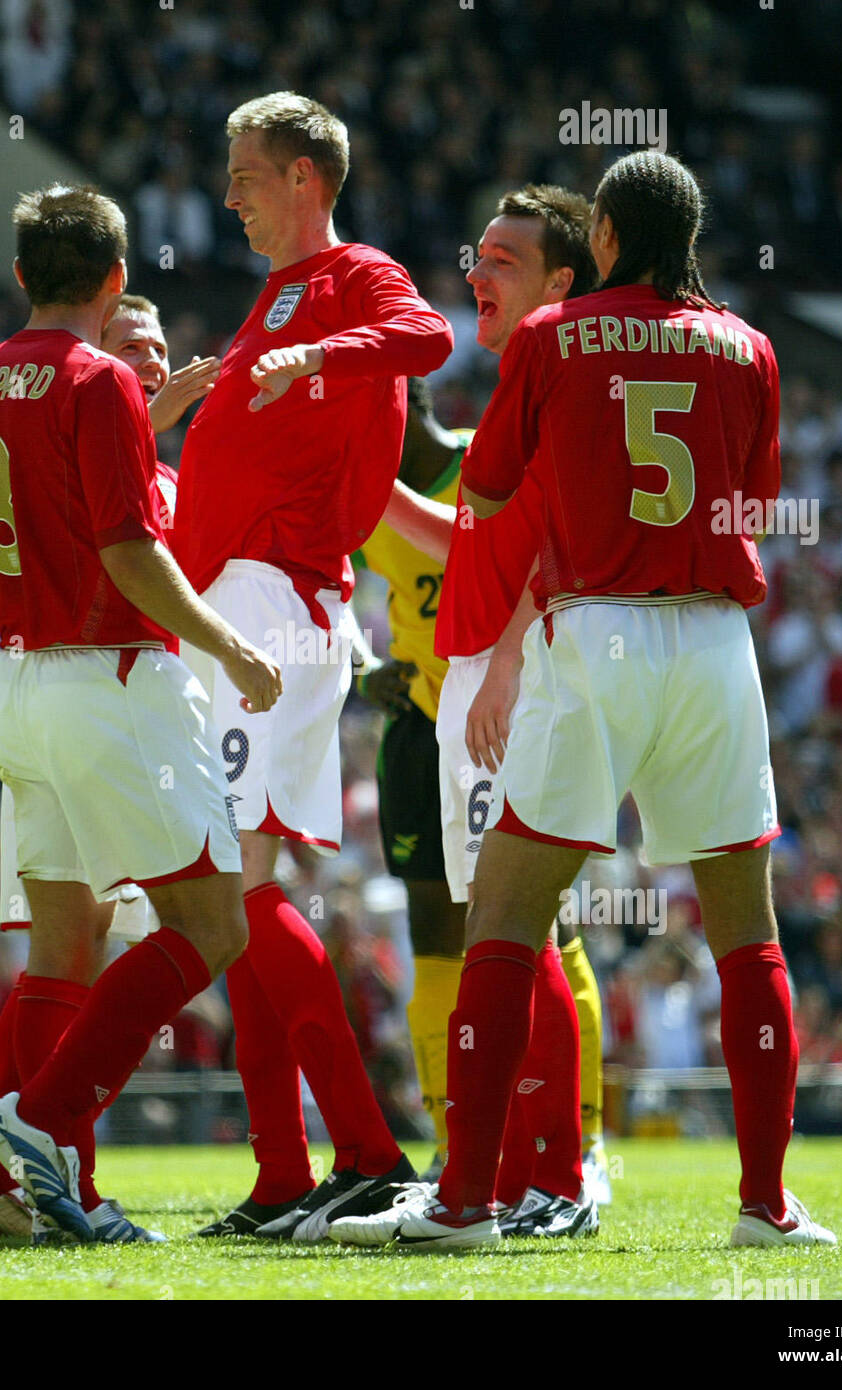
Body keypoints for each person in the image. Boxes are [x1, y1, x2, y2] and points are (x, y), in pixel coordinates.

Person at [331, 150, 836, 1250]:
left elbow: (497, 487)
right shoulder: (748, 345)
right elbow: (749, 493)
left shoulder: (556, 338)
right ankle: (766, 1202)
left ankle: (466, 1198)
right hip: (712, 640)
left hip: (589, 628)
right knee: (745, 938)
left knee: (505, 918)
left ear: (600, 237)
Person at [0, 183, 282, 1244]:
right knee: (212, 927)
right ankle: (41, 1125)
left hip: (27, 683)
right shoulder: (99, 382)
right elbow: (131, 555)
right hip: (116, 677)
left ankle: (0, 1179)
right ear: (116, 278)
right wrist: (230, 644)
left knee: (60, 951)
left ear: (24, 275)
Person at [171, 92, 452, 1241]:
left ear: (304, 177)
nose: (227, 192)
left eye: (245, 172)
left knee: (234, 889)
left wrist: (316, 353)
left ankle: (371, 1152)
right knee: (219, 896)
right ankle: (283, 1170)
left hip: (274, 607)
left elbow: (430, 337)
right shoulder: (272, 297)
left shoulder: (353, 274)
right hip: (236, 600)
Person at [375, 188, 610, 1235]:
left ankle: (556, 1174)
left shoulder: (555, 372)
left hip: (520, 674)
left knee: (521, 924)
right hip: (480, 678)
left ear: (560, 282)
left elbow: (561, 541)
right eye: (479, 253)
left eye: (504, 259)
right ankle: (517, 1171)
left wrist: (509, 658)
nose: (480, 270)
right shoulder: (523, 373)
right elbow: (474, 543)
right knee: (498, 932)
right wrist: (369, 493)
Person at [0, 291, 207, 1239]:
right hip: (105, 697)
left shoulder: (153, 461)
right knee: (180, 932)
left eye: (159, 348)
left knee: (64, 952)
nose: (148, 363)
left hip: (48, 695)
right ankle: (57, 1162)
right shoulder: (94, 437)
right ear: (87, 356)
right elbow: (124, 561)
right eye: (127, 345)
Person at [353, 377, 469, 1182]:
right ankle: (451, 1141)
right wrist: (364, 669)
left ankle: (579, 1145)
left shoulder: (485, 466)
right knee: (433, 932)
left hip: (502, 717)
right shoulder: (363, 499)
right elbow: (321, 593)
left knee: (540, 930)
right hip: (419, 729)